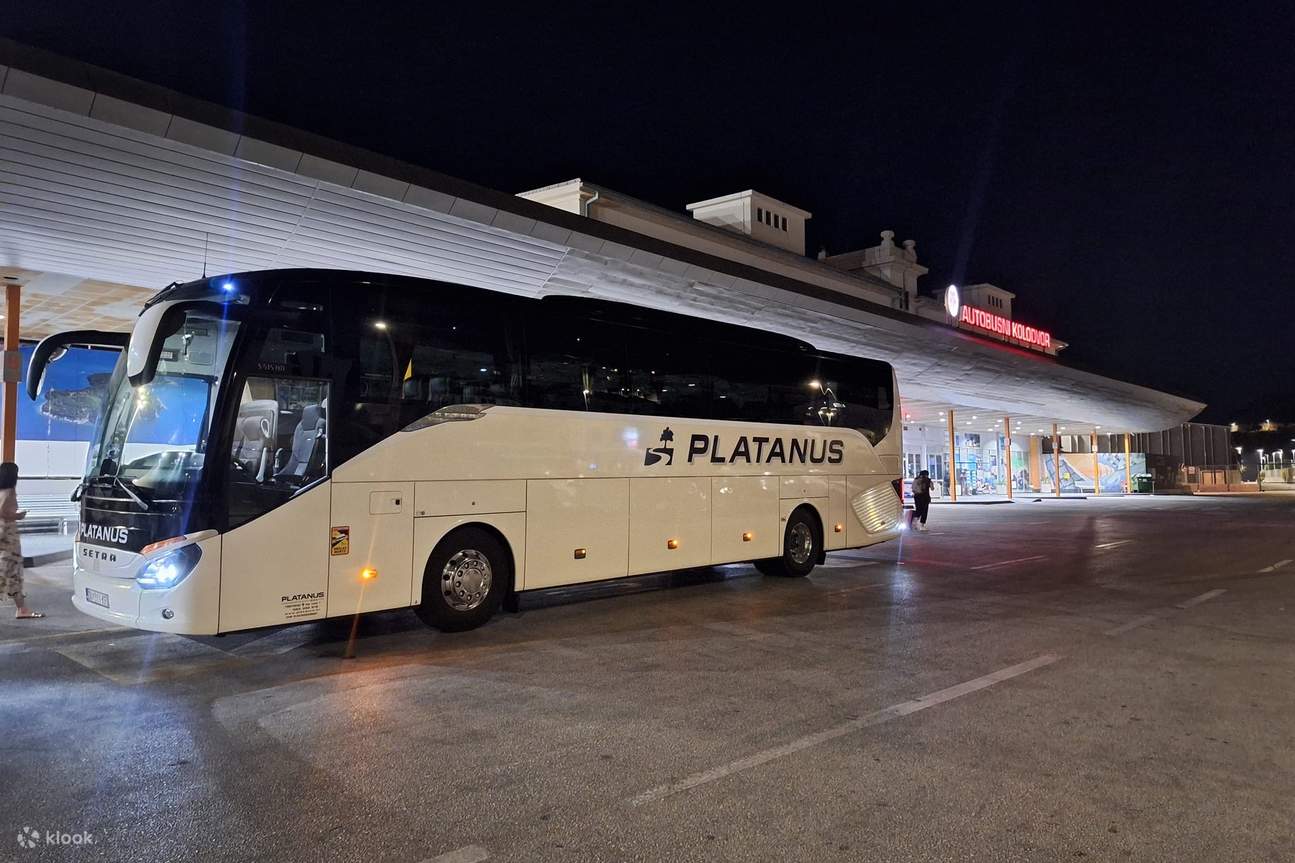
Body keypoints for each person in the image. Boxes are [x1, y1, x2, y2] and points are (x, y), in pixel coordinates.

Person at [0, 462, 41, 619]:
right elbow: (2, 511)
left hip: (3, 533)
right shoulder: (10, 491)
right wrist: (18, 515)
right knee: (10, 571)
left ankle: (22, 608)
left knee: (11, 573)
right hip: (8, 535)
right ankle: (22, 609)